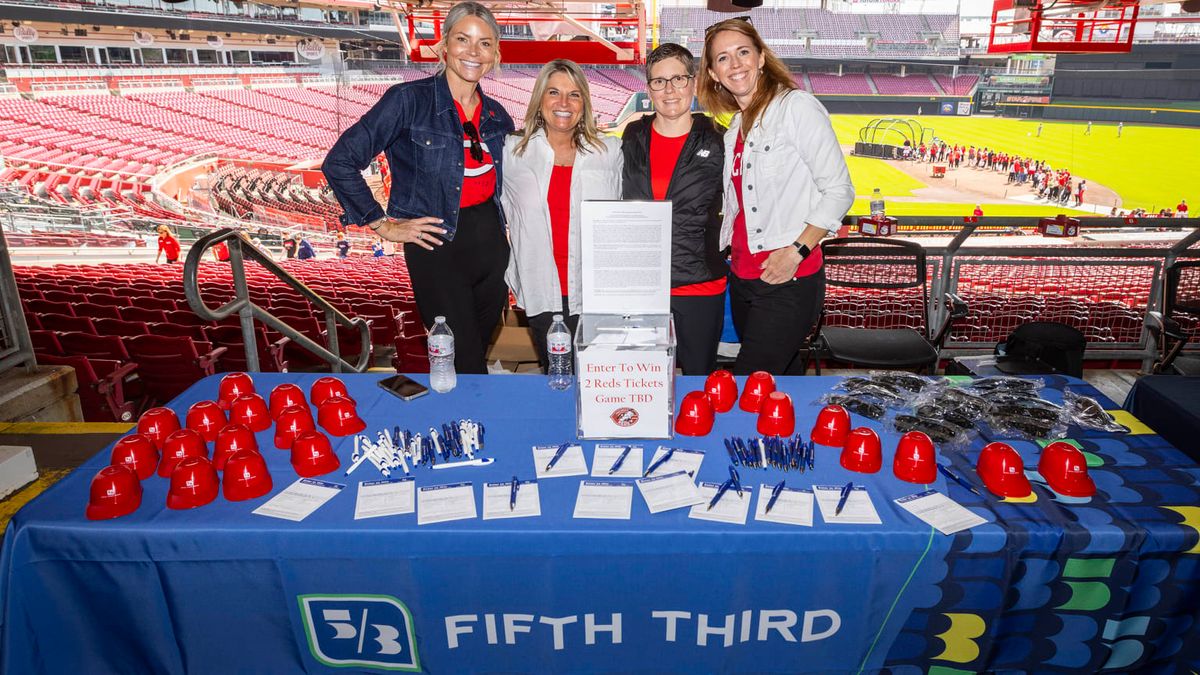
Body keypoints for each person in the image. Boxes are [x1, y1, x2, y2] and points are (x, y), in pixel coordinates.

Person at [322, 1, 515, 375]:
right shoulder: (407, 101)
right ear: (444, 45)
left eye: (485, 43)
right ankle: (467, 430)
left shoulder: (497, 115)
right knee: (464, 361)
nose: (473, 52)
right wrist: (384, 224)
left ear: (495, 53)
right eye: (463, 39)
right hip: (437, 249)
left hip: (491, 247)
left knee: (478, 348)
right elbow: (339, 161)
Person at [699, 18, 854, 375]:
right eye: (723, 58)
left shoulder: (796, 107)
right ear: (713, 73)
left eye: (743, 52)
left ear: (761, 58)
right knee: (782, 376)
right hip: (742, 277)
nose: (735, 64)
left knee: (747, 382)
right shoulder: (734, 128)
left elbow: (839, 190)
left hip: (789, 277)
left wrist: (797, 251)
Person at [501, 59, 622, 372]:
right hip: (543, 290)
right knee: (557, 377)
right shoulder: (512, 152)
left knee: (598, 380)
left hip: (598, 293)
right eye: (554, 92)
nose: (564, 103)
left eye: (574, 94)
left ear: (584, 102)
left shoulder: (609, 152)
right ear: (540, 99)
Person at [621, 43, 726, 375]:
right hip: (643, 285)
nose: (669, 90)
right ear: (648, 88)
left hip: (700, 284)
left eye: (678, 79)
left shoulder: (718, 138)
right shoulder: (632, 135)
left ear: (693, 83)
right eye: (658, 81)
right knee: (643, 382)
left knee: (698, 380)